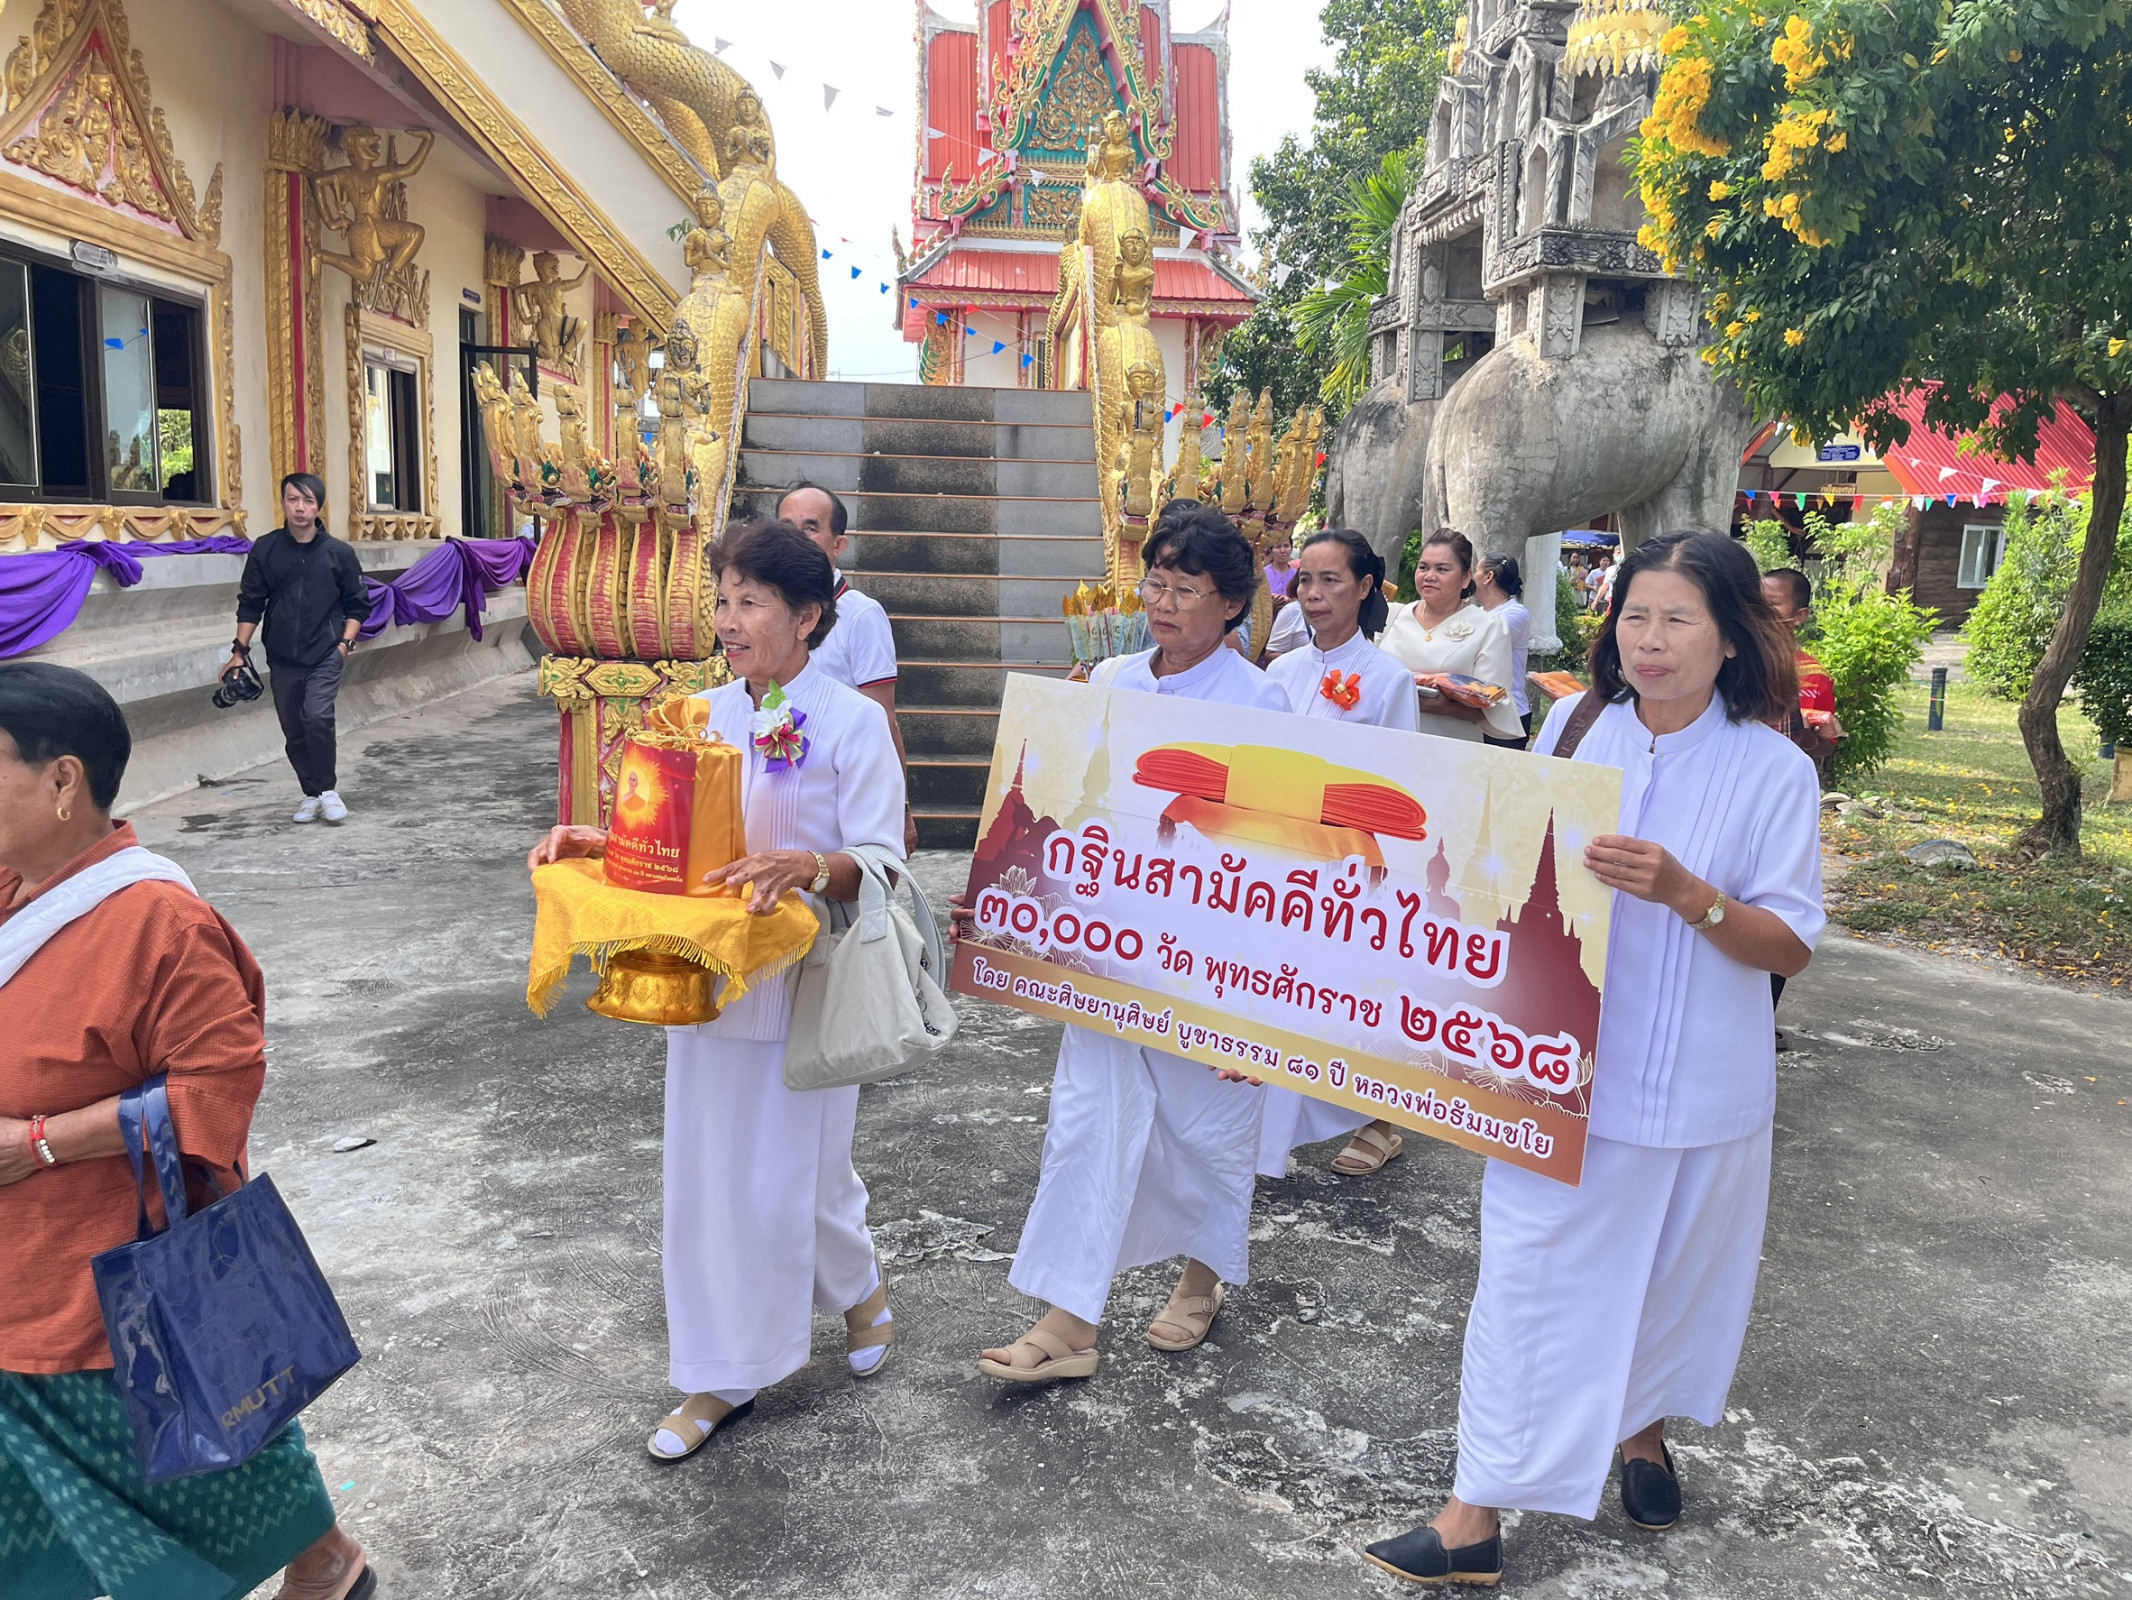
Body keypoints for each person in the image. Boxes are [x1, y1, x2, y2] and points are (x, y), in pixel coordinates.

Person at [1363, 532, 1823, 1587]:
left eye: (1677, 619)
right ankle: (1473, 1510)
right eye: (1633, 617)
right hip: (1558, 1074)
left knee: (1667, 1279)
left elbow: (1789, 944)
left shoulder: (1774, 772)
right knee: (1526, 1283)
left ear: (1729, 639)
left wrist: (1688, 894)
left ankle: (1640, 1428)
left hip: (1702, 1083)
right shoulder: (1574, 736)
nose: (1649, 641)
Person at [528, 520, 905, 1463]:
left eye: (751, 603)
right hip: (704, 989)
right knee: (711, 1185)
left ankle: (836, 1303)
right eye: (723, 601)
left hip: (807, 989)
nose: (729, 621)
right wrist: (594, 840)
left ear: (807, 617)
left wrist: (808, 865)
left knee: (794, 1183)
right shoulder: (690, 716)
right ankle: (731, 1368)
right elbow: (660, 844)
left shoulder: (852, 722)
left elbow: (885, 860)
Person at [0, 661, 373, 1600]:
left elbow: (220, 1081)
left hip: (99, 1277)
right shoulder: (10, 888)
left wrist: (40, 1142)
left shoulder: (158, 922)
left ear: (61, 779)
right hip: (12, 1269)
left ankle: (324, 1559)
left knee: (184, 1446)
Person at [977, 501, 1286, 1385]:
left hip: (1214, 952)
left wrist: (1268, 996)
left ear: (1232, 605)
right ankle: (1070, 1320)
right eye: (1155, 583)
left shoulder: (1262, 700)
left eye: (1186, 589)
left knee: (1204, 1127)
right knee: (1088, 1122)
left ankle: (1201, 1277)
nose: (1163, 603)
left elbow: (1282, 852)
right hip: (1107, 946)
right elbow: (1062, 795)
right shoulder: (1110, 676)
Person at [1258, 528, 1418, 1180]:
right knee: (1283, 993)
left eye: (1331, 580)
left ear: (1364, 587)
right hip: (1277, 858)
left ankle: (1380, 1118)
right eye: (1305, 580)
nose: (1314, 594)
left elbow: (1398, 783)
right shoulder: (1280, 671)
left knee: (1353, 992)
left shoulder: (1388, 679)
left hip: (1348, 863)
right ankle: (1271, 1128)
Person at [777, 483, 916, 855]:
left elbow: (884, 718)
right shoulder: (765, 610)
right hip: (777, 784)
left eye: (810, 528)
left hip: (842, 790)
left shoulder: (861, 615)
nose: (797, 539)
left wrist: (901, 809)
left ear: (839, 544)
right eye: (787, 528)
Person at [223, 474, 370, 826]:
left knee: (317, 716)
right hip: (283, 655)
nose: (300, 508)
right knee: (293, 727)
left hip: (326, 652)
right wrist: (239, 651)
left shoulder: (339, 553)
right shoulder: (266, 549)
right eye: (293, 500)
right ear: (283, 503)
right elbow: (251, 602)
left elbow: (358, 604)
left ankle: (329, 790)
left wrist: (344, 645)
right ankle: (312, 793)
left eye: (307, 501)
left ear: (318, 507)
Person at [1379, 529, 1524, 744]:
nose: (1429, 576)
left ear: (1465, 578)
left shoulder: (1489, 628)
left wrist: (1447, 707)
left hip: (1449, 746)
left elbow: (1494, 707)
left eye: (1442, 569)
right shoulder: (1393, 615)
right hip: (1387, 740)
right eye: (1423, 567)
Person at [1475, 553, 1534, 747]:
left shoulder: (1516, 613)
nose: (1473, 576)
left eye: (1476, 571)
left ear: (1488, 577)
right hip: (1476, 711)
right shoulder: (1477, 613)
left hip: (1509, 713)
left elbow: (1481, 639)